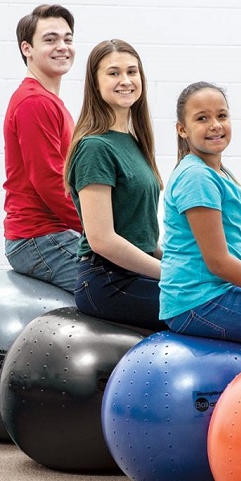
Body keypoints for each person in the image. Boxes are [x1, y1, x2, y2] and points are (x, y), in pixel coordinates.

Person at [159, 82, 241, 349]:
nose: (215, 125)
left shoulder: (216, 172)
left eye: (222, 115)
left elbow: (235, 256)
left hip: (214, 294)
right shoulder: (196, 177)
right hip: (197, 302)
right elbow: (219, 263)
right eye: (202, 118)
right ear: (182, 129)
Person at [64, 39, 165, 330]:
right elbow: (103, 240)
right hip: (108, 282)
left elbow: (140, 238)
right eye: (114, 73)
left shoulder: (134, 142)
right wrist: (169, 274)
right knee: (203, 302)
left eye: (132, 72)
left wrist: (183, 264)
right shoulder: (94, 147)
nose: (126, 80)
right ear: (95, 83)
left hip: (135, 272)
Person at [3, 4, 82, 292]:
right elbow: (49, 181)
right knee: (118, 292)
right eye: (50, 40)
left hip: (53, 234)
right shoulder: (34, 103)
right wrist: (96, 230)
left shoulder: (48, 101)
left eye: (68, 39)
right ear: (27, 48)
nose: (62, 47)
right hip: (39, 240)